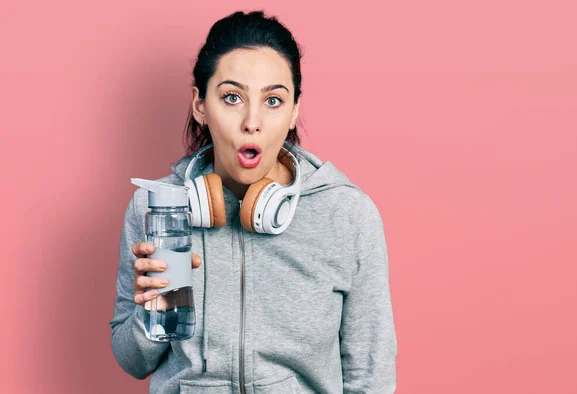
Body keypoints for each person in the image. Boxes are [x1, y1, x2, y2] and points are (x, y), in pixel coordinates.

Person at [110, 10, 397, 394]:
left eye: (274, 101)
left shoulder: (347, 216)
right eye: (232, 98)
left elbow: (371, 378)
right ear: (200, 104)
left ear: (294, 109)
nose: (252, 121)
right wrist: (154, 308)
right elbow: (131, 362)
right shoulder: (156, 208)